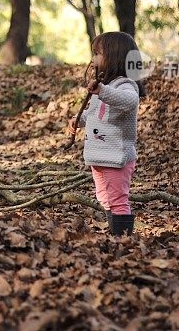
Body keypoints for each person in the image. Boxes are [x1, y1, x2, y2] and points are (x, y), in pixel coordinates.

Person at [67, 32, 146, 235]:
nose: (93, 60)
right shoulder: (106, 87)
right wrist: (79, 120)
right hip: (99, 155)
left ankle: (123, 238)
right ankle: (114, 232)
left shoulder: (125, 85)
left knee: (118, 200)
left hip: (116, 156)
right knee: (105, 199)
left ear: (114, 56)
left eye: (97, 54)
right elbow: (97, 114)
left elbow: (129, 101)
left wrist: (102, 91)